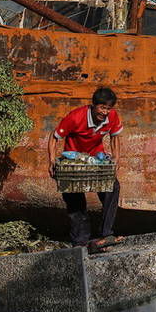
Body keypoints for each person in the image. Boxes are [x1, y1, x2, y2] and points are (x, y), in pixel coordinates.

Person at [49, 86, 123, 249]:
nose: (105, 112)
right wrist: (52, 161)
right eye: (102, 107)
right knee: (74, 197)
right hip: (74, 161)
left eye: (108, 109)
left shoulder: (112, 116)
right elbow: (54, 137)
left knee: (113, 186)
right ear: (93, 105)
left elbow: (115, 137)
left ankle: (106, 233)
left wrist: (116, 158)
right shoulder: (75, 117)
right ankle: (80, 242)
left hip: (96, 160)